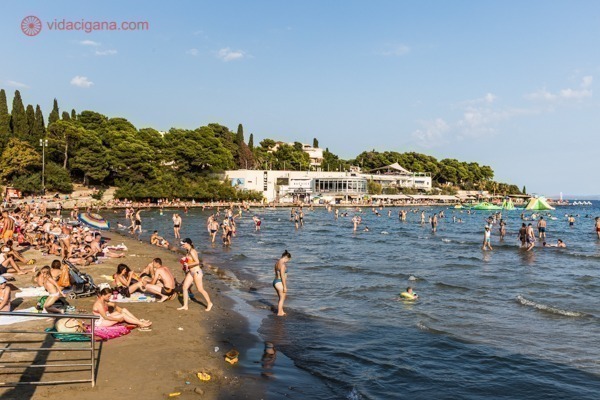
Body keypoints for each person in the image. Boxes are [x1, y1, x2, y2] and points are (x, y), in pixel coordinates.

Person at [177, 238, 213, 311]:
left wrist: (188, 264)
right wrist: (185, 260)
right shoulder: (188, 251)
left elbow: (197, 262)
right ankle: (185, 306)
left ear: (188, 243)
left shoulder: (192, 251)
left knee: (200, 289)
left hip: (196, 272)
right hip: (191, 272)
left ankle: (209, 303)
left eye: (183, 244)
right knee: (184, 287)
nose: (182, 245)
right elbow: (190, 260)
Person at [273, 250, 291, 316]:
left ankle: (281, 311)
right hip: (279, 282)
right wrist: (285, 286)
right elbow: (283, 276)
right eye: (288, 260)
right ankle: (279, 313)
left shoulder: (277, 263)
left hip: (275, 281)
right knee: (282, 298)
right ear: (286, 257)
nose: (287, 261)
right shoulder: (282, 265)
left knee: (281, 298)